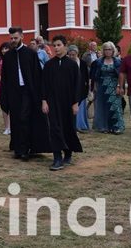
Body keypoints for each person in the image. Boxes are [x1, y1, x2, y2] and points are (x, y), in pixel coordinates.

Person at [0, 27, 50, 160]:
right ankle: (18, 148)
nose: (13, 40)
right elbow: (4, 77)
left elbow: (37, 75)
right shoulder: (8, 56)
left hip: (28, 91)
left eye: (15, 38)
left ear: (22, 37)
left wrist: (41, 94)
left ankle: (26, 149)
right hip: (14, 92)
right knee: (16, 119)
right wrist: (4, 95)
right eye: (11, 38)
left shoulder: (30, 53)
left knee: (24, 118)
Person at [42, 36, 83, 170]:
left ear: (65, 46)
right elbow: (44, 85)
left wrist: (75, 102)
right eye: (54, 45)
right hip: (53, 102)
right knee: (54, 128)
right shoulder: (49, 65)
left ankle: (68, 153)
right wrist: (44, 101)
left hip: (68, 103)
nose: (56, 48)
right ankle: (57, 157)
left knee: (68, 128)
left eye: (59, 45)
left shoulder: (72, 65)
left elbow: (78, 85)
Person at [90, 41, 125, 134]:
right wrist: (94, 87)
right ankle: (103, 127)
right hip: (101, 87)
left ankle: (117, 127)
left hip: (114, 86)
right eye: (105, 49)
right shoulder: (98, 62)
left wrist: (119, 86)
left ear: (113, 50)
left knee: (115, 106)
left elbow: (121, 75)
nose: (107, 51)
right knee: (102, 106)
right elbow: (94, 76)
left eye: (109, 49)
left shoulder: (118, 62)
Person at [68, 45, 90, 133]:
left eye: (73, 55)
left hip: (81, 88)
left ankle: (80, 125)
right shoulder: (67, 63)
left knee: (80, 108)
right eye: (70, 55)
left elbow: (86, 77)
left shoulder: (83, 63)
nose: (72, 56)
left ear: (77, 54)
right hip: (70, 89)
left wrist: (87, 88)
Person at [0, 42, 11, 135]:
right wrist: (4, 81)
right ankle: (6, 127)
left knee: (12, 107)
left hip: (12, 86)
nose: (4, 50)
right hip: (2, 86)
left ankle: (12, 126)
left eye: (6, 48)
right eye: (3, 48)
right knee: (4, 107)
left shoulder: (13, 60)